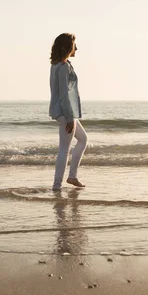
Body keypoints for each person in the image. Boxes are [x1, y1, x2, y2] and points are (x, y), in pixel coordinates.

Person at [49, 33, 88, 191]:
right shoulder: (63, 67)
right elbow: (64, 94)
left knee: (83, 139)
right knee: (64, 149)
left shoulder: (57, 65)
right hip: (66, 113)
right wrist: (70, 118)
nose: (76, 48)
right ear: (67, 47)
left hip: (64, 112)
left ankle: (72, 176)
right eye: (74, 45)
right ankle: (57, 186)